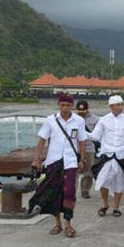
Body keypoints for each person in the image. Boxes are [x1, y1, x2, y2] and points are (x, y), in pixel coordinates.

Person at [29, 93, 87, 238]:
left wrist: (82, 159)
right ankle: (57, 223)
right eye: (62, 105)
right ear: (58, 105)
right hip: (53, 161)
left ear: (72, 106)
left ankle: (68, 224)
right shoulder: (51, 120)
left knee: (69, 193)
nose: (65, 108)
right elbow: (42, 140)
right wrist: (36, 159)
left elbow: (82, 141)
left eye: (68, 105)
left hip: (70, 162)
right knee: (54, 193)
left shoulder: (78, 121)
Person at [88, 95, 124, 217]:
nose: (121, 107)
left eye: (122, 104)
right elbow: (95, 136)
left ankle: (116, 207)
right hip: (107, 153)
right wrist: (81, 132)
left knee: (119, 180)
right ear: (111, 107)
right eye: (118, 105)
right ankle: (104, 204)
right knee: (102, 179)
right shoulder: (103, 120)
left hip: (121, 154)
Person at [75, 100, 99, 199]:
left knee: (88, 171)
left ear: (87, 109)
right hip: (75, 148)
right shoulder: (73, 118)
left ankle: (85, 190)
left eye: (83, 111)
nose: (81, 113)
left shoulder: (95, 119)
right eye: (79, 111)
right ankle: (72, 191)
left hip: (89, 148)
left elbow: (97, 135)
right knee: (73, 171)